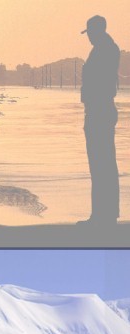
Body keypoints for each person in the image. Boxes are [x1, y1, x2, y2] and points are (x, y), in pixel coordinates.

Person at [78, 15, 120, 227]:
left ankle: (103, 216)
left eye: (90, 32)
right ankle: (103, 215)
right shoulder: (105, 48)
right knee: (101, 164)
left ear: (97, 30)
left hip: (100, 110)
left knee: (101, 163)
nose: (88, 37)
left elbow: (100, 83)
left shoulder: (105, 49)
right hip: (98, 110)